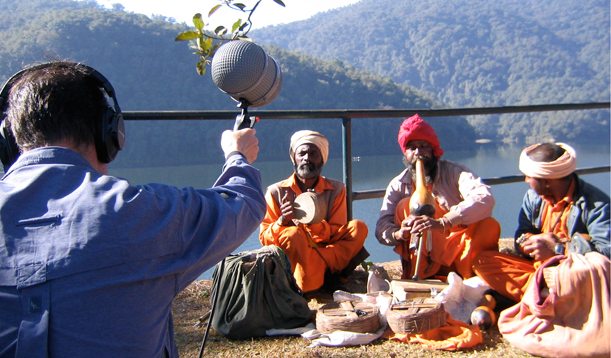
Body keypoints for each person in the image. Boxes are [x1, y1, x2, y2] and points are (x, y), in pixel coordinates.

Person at [0, 61, 266, 357]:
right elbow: (242, 203)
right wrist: (237, 156)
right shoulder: (139, 213)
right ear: (109, 134)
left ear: (8, 142)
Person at [473, 142, 610, 302]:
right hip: (538, 269)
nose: (526, 180)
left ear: (547, 181)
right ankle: (549, 295)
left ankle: (538, 295)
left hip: (572, 271)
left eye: (529, 176)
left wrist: (558, 248)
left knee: (586, 276)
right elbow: (521, 234)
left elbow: (606, 253)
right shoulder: (533, 197)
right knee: (483, 261)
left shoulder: (596, 204)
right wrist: (530, 242)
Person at [375, 114, 500, 280]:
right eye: (412, 148)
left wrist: (443, 222)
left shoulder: (455, 172)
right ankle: (421, 274)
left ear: (433, 150)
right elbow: (382, 227)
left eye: (424, 147)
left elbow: (484, 198)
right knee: (405, 205)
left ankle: (470, 277)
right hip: (424, 260)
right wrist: (400, 234)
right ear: (405, 154)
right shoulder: (398, 184)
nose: (418, 153)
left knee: (488, 225)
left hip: (458, 250)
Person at [259, 130, 368, 293]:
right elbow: (264, 238)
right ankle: (325, 276)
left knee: (358, 228)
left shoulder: (336, 189)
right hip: (296, 255)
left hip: (326, 247)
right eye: (302, 153)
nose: (307, 158)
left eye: (313, 154)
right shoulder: (275, 192)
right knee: (292, 235)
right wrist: (282, 221)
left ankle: (316, 271)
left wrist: (315, 224)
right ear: (294, 158)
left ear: (322, 159)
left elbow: (337, 229)